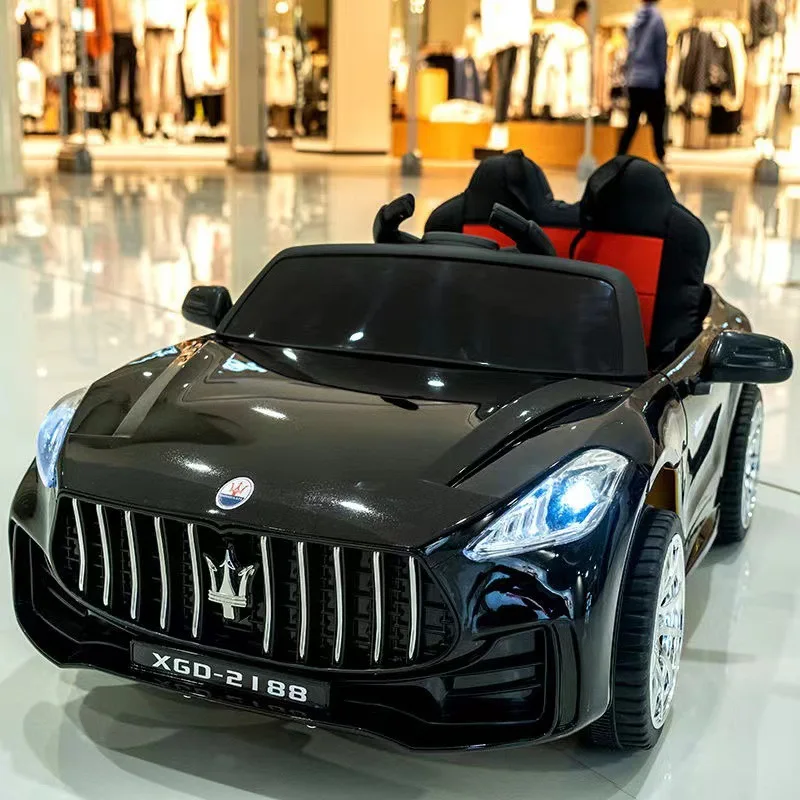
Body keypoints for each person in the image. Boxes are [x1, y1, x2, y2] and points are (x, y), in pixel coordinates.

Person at [617, 0, 668, 166]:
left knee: (632, 122)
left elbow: (630, 52)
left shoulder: (634, 20)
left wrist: (629, 76)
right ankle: (660, 157)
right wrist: (662, 77)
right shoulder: (657, 21)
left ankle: (619, 156)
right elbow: (660, 53)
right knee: (657, 122)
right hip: (651, 80)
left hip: (634, 79)